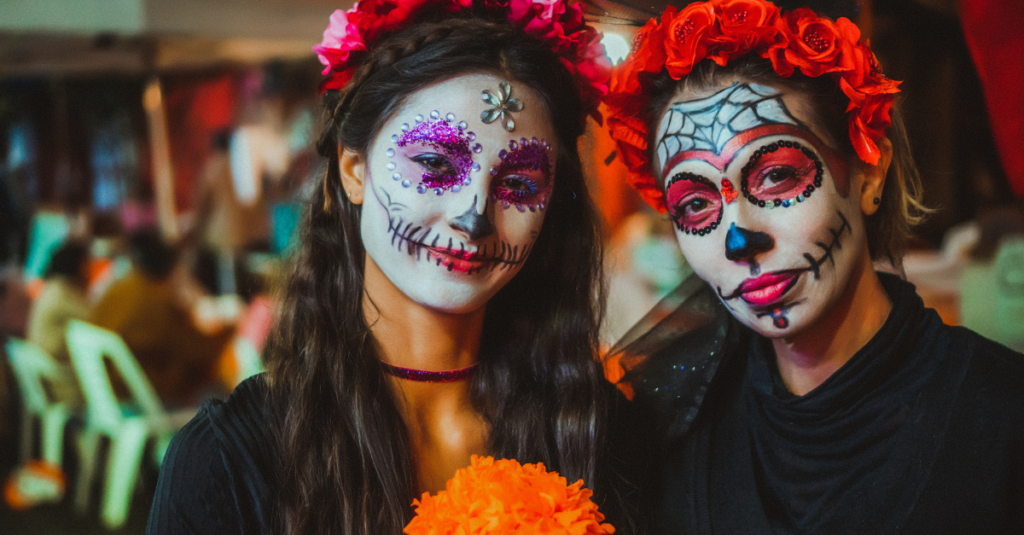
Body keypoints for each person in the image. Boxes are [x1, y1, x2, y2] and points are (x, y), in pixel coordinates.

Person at [147, 2, 648, 534]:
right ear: (352, 168)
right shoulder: (229, 461)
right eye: (435, 164)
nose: (473, 217)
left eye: (519, 185)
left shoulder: (598, 429)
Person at [603, 1, 1024, 533]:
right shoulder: (664, 425)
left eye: (777, 176)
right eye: (696, 204)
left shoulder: (1004, 418)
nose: (738, 237)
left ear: (869, 174)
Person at [91, 229, 230, 406]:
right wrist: (230, 328)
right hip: (140, 399)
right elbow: (200, 351)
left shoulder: (119, 288)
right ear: (171, 270)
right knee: (219, 391)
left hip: (108, 393)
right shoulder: (155, 301)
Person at [26, 241, 91, 404]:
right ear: (79, 266)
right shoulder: (62, 295)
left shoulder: (50, 289)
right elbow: (96, 321)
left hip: (48, 378)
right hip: (62, 384)